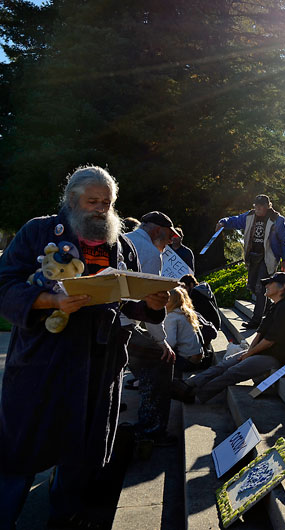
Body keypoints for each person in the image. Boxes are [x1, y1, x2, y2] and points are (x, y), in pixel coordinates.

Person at [0, 166, 169, 527]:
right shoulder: (37, 231)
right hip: (42, 362)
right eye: (92, 201)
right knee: (20, 450)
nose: (99, 210)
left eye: (106, 203)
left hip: (98, 365)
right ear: (72, 199)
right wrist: (49, 301)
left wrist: (151, 306)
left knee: (80, 454)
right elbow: (4, 287)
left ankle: (63, 518)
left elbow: (129, 302)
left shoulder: (121, 245)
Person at [181, 272, 285, 403]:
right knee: (225, 364)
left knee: (233, 372)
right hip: (263, 351)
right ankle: (189, 384)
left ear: (282, 287)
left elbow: (270, 341)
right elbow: (260, 333)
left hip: (276, 357)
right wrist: (249, 352)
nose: (267, 286)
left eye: (270, 283)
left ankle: (196, 397)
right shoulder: (275, 305)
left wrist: (249, 355)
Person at [124, 211, 179, 445]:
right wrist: (161, 341)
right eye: (168, 238)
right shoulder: (148, 252)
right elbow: (152, 302)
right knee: (161, 360)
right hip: (122, 324)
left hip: (110, 321)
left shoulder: (124, 240)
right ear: (157, 231)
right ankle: (151, 430)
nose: (168, 245)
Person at [216, 195, 285, 329]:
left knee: (260, 287)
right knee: (251, 286)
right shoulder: (249, 216)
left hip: (267, 257)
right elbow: (234, 220)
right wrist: (223, 222)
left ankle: (256, 320)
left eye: (261, 206)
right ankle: (270, 308)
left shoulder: (277, 220)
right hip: (252, 256)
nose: (258, 208)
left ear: (268, 206)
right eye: (256, 206)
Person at [164, 287, 203, 373]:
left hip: (186, 360)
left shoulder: (171, 317)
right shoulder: (185, 312)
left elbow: (171, 342)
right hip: (197, 357)